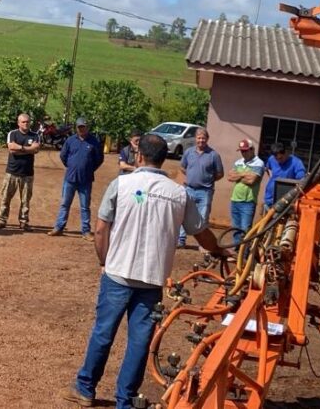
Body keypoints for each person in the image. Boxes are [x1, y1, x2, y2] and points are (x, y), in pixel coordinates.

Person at [61, 134, 232, 409]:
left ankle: (85, 388)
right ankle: (126, 400)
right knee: (140, 342)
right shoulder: (179, 194)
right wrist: (219, 250)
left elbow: (101, 229)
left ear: (139, 156)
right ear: (164, 159)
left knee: (103, 333)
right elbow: (201, 232)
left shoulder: (121, 184)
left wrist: (104, 261)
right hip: (152, 280)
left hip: (117, 273)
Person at [50, 117, 104, 240]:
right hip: (70, 178)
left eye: (83, 127)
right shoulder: (70, 140)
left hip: (86, 180)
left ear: (87, 127)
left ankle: (86, 231)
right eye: (79, 127)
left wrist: (89, 169)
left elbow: (99, 159)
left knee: (85, 206)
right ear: (76, 128)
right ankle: (59, 227)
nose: (81, 129)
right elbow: (63, 156)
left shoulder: (94, 142)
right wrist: (71, 167)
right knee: (65, 204)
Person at [175, 127, 223, 248]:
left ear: (207, 139)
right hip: (189, 189)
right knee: (184, 215)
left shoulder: (214, 155)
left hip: (205, 191)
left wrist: (208, 179)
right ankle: (181, 240)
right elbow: (182, 167)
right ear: (195, 139)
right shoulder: (188, 152)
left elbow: (220, 173)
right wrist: (191, 175)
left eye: (203, 138)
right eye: (199, 138)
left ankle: (203, 245)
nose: (201, 140)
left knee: (203, 218)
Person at [0, 113, 41, 232]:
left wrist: (20, 148)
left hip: (27, 174)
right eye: (23, 122)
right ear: (18, 123)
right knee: (5, 198)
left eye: (28, 122)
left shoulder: (35, 135)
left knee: (25, 200)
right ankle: (2, 220)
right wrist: (28, 149)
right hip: (12, 172)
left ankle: (24, 222)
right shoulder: (12, 134)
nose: (26, 124)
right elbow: (11, 149)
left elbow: (36, 149)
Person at [226, 139, 265, 246]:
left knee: (245, 229)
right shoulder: (238, 162)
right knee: (235, 228)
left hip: (248, 201)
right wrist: (245, 174)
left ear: (252, 150)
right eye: (241, 151)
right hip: (235, 199)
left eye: (245, 150)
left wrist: (238, 175)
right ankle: (236, 249)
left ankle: (245, 252)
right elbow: (230, 177)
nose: (243, 153)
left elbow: (252, 181)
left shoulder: (259, 163)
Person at [263, 141, 307, 209]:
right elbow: (267, 169)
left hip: (284, 202)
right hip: (268, 199)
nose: (278, 161)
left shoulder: (296, 163)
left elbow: (301, 180)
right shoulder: (271, 159)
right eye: (276, 159)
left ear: (286, 152)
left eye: (280, 158)